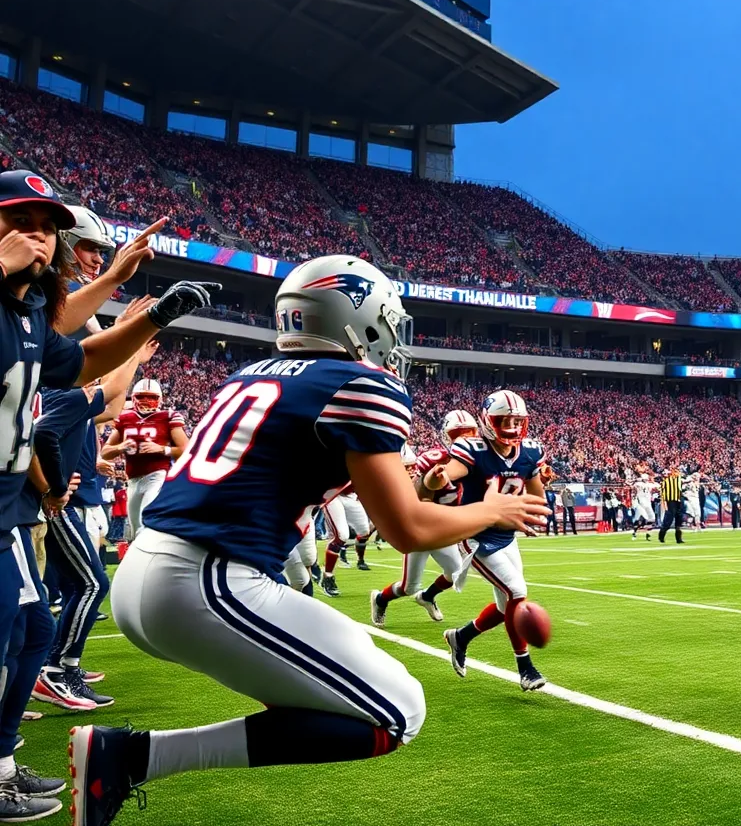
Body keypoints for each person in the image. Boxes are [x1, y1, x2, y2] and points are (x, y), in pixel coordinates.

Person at [71, 255, 549, 825]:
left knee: (352, 690)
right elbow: (407, 530)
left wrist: (423, 482)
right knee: (399, 711)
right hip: (209, 581)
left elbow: (366, 484)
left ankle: (124, 758)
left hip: (155, 573)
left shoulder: (247, 375)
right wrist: (488, 509)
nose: (391, 336)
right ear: (357, 318)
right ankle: (129, 757)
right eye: (386, 320)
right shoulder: (361, 385)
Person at [0, 169, 216, 822]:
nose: (38, 238)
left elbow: (83, 360)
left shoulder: (28, 313)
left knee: (33, 628)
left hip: (9, 502)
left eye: (47, 228)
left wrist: (153, 312)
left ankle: (3, 766)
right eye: (21, 222)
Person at [31, 337, 153, 710]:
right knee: (91, 583)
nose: (91, 379)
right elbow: (114, 393)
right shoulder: (63, 398)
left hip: (51, 503)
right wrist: (131, 348)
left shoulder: (56, 399)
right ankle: (56, 669)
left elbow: (114, 402)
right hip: (54, 505)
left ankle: (60, 666)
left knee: (77, 586)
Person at [427, 389, 550, 691]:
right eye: (503, 421)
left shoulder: (530, 452)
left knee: (503, 605)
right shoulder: (474, 449)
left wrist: (538, 493)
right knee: (517, 592)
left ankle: (460, 637)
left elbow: (537, 497)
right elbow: (449, 473)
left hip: (506, 537)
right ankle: (525, 668)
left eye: (516, 421)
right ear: (486, 421)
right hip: (476, 536)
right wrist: (438, 477)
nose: (510, 427)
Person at [372, 408, 479, 627]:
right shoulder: (436, 459)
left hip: (442, 531)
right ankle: (380, 598)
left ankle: (427, 596)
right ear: (446, 437)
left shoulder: (477, 461)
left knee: (456, 573)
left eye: (469, 433)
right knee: (408, 586)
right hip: (421, 528)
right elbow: (415, 494)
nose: (465, 439)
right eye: (458, 434)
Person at [100, 379, 188, 541]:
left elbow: (188, 450)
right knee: (135, 531)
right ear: (133, 398)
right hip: (132, 480)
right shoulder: (125, 419)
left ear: (160, 399)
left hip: (157, 475)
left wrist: (162, 449)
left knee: (145, 523)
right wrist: (121, 447)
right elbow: (105, 452)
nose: (146, 401)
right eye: (141, 397)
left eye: (151, 397)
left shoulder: (168, 417)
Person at [657, 467, 684, 544]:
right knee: (669, 518)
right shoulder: (666, 481)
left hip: (678, 500)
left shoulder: (679, 479)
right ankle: (661, 535)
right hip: (670, 500)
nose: (677, 473)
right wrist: (664, 501)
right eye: (675, 471)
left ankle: (678, 538)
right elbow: (661, 491)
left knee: (679, 519)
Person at [631, 472, 656, 540]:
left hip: (642, 504)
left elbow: (633, 486)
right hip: (644, 504)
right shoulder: (649, 485)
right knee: (649, 518)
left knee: (639, 519)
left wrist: (636, 480)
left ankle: (635, 533)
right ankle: (645, 534)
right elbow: (655, 487)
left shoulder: (638, 484)